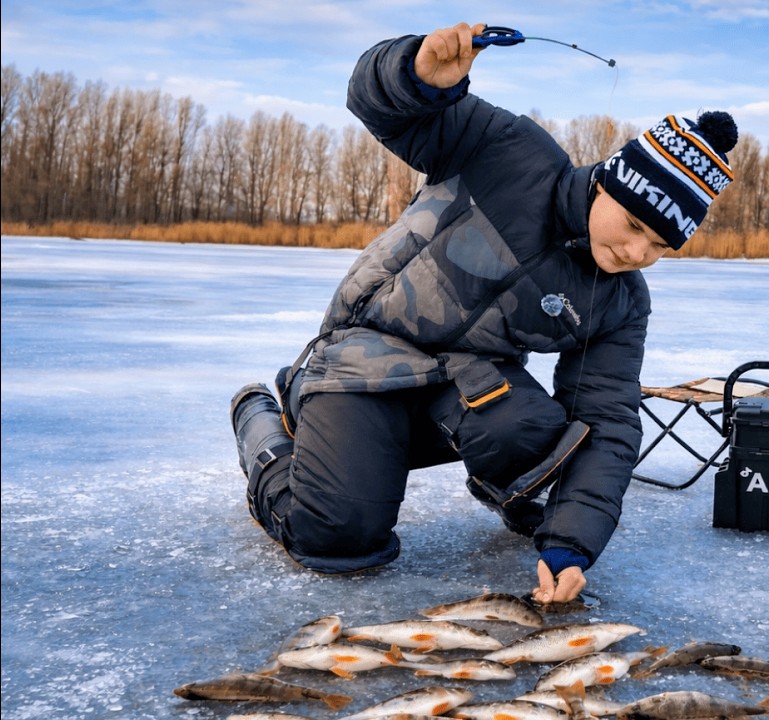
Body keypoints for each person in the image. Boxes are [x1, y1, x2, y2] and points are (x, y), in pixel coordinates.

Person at [229, 21, 737, 604]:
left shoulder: (620, 301)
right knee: (338, 541)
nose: (636, 253)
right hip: (365, 358)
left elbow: (608, 420)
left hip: (460, 382)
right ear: (607, 186)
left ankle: (520, 494)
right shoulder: (511, 153)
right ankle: (263, 421)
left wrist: (571, 544)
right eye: (635, 227)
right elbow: (387, 112)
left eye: (659, 248)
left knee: (543, 434)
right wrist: (418, 76)